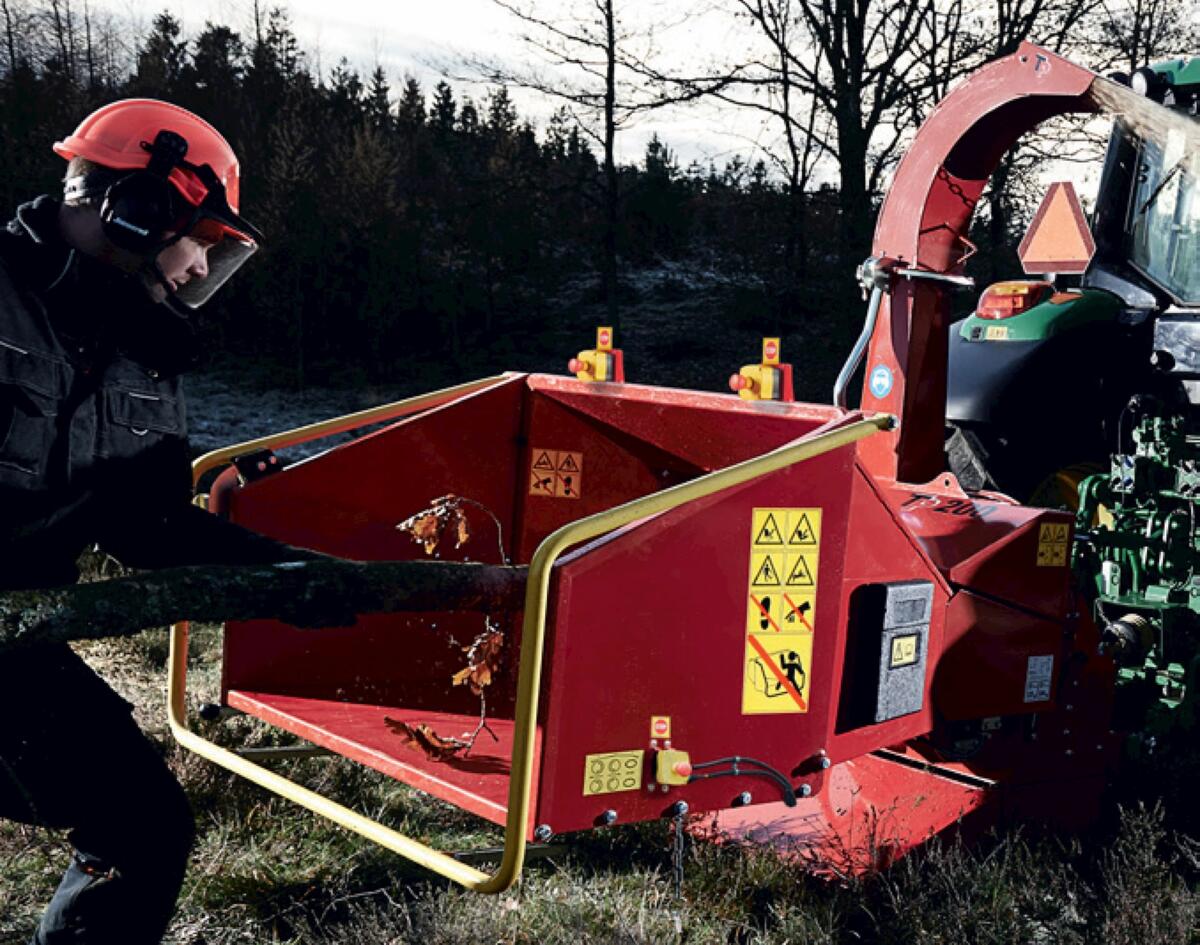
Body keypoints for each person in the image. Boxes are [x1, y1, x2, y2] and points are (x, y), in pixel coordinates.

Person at [0, 99, 319, 944]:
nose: (196, 268)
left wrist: (280, 571)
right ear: (140, 206)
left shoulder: (142, 353)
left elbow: (147, 527)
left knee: (144, 827)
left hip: (15, 642)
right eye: (202, 239)